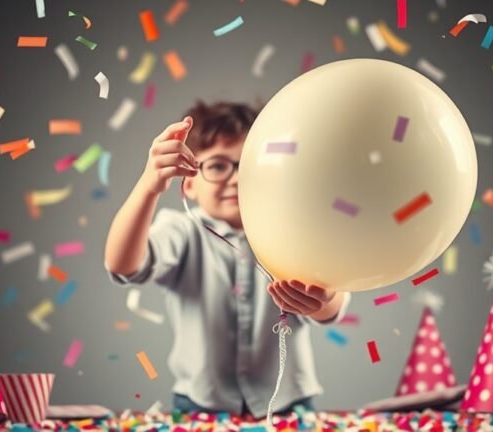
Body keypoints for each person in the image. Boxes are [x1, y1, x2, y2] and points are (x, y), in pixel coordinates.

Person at [104, 100, 351, 418]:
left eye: (249, 165)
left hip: (290, 407)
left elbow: (333, 305)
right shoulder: (181, 229)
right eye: (218, 166)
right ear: (189, 184)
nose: (235, 179)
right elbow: (123, 265)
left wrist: (322, 299)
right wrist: (149, 186)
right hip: (200, 406)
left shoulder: (295, 232)